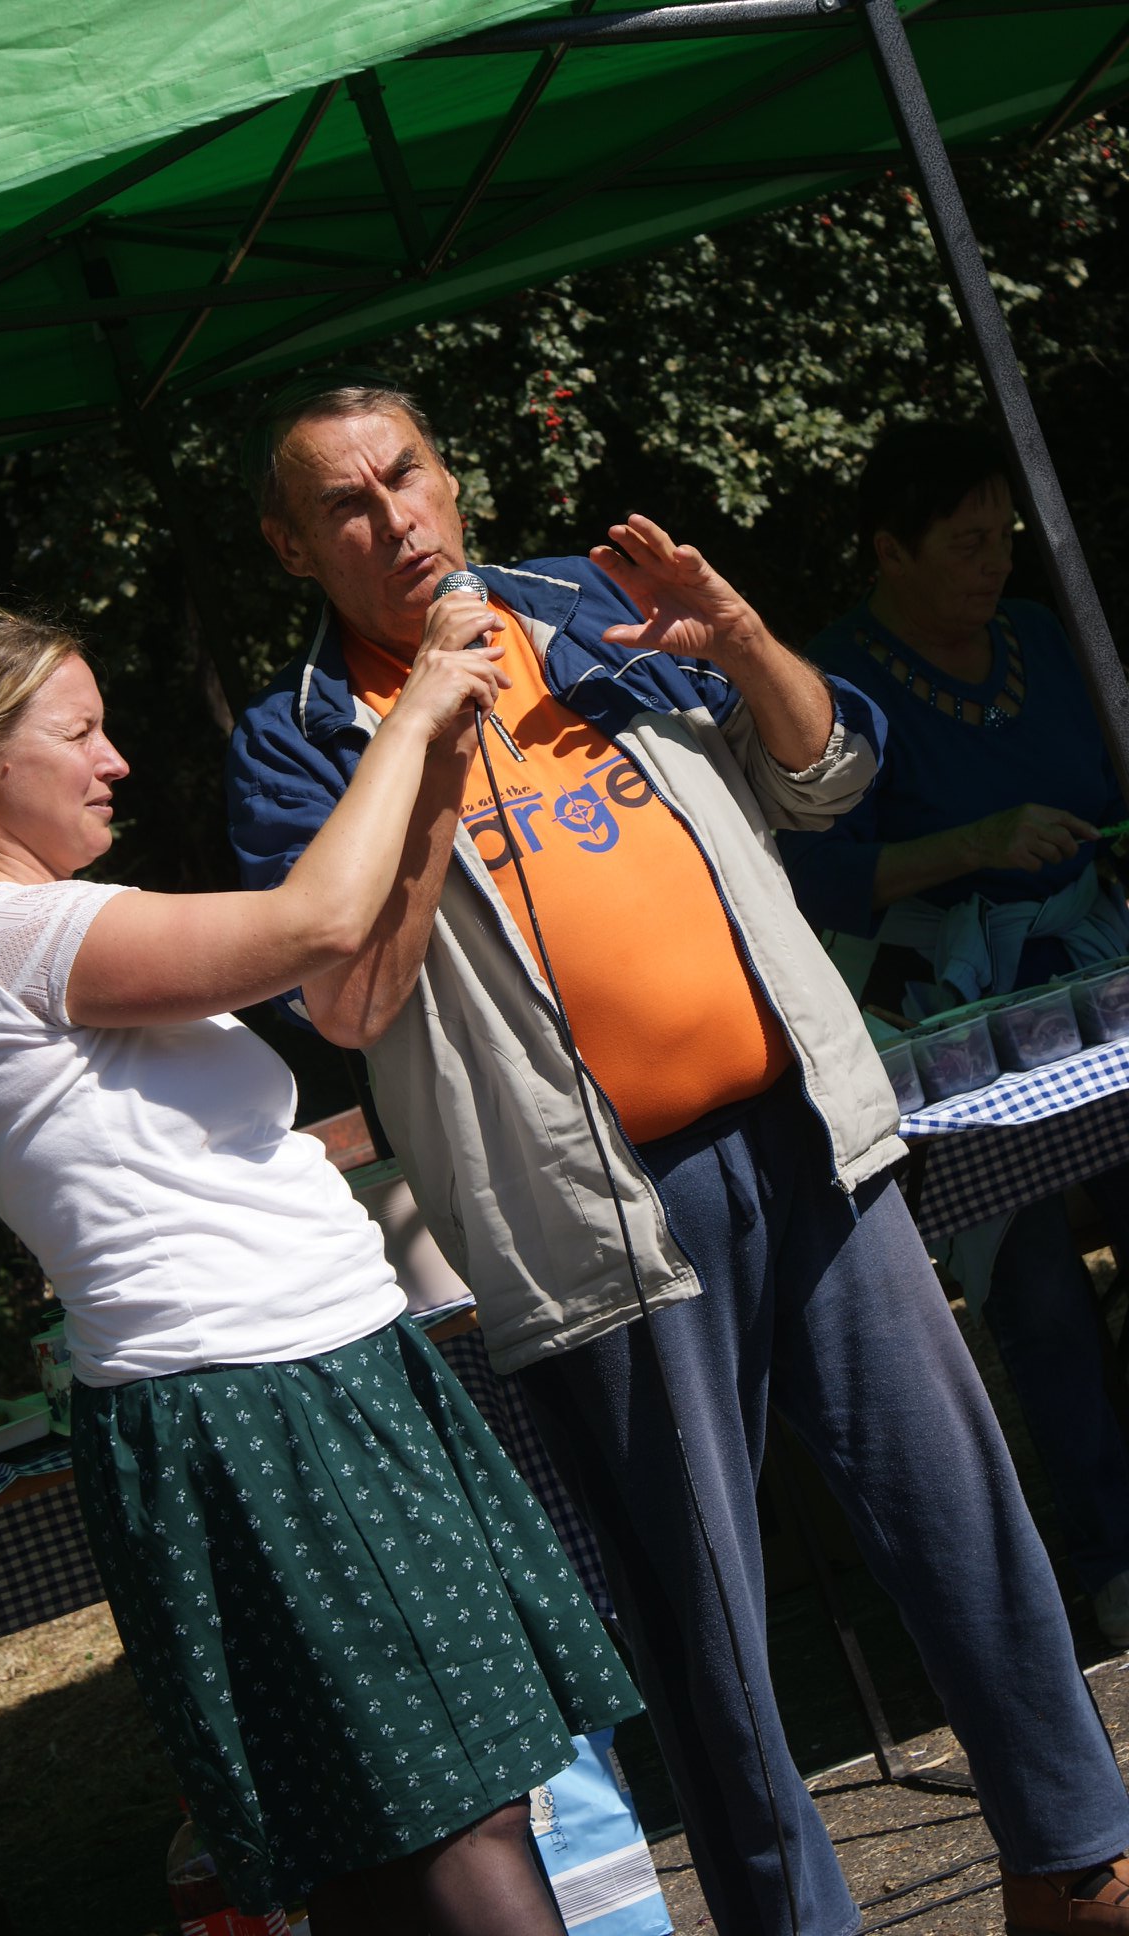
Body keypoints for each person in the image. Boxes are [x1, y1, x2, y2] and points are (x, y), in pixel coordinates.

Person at [225, 372, 1129, 1936]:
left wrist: (746, 638)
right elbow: (348, 994)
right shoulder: (300, 741)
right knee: (709, 1631)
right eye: (346, 507)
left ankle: (1076, 1860)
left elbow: (831, 779)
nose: (395, 519)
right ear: (292, 547)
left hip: (806, 1137)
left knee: (961, 1516)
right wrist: (427, 727)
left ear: (450, 474)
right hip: (593, 1221)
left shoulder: (589, 609)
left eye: (407, 475)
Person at [0, 603, 641, 1936]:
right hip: (261, 1400)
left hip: (287, 1382)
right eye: (80, 732)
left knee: (385, 1833)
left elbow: (349, 996)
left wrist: (436, 768)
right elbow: (316, 923)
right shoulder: (16, 935)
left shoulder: (21, 943)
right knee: (454, 1815)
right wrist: (404, 718)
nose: (114, 761)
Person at [777, 421, 1129, 1647]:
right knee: (1035, 1293)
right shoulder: (833, 684)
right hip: (953, 1024)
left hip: (1098, 982)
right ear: (891, 550)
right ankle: (1113, 1556)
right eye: (966, 543)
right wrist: (974, 844)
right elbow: (815, 878)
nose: (994, 562)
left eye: (1002, 537)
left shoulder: (1038, 634)